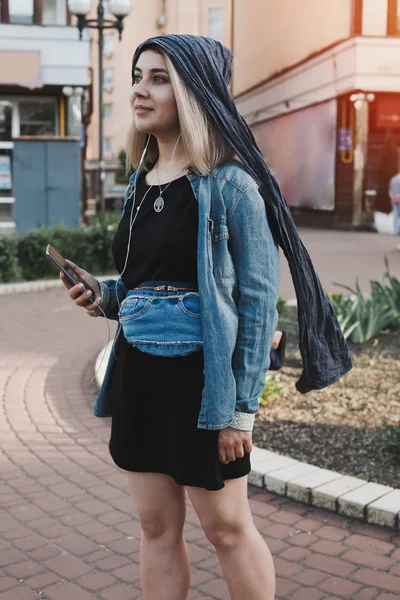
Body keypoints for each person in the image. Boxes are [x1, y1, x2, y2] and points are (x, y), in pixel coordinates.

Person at [61, 35, 351, 600]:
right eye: (138, 76)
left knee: (227, 530)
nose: (140, 90)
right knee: (155, 528)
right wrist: (105, 296)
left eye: (159, 78)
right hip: (139, 378)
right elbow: (148, 284)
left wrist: (240, 413)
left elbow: (256, 304)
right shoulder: (140, 185)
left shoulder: (233, 186)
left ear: (195, 91)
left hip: (203, 386)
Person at [389, 168, 400, 249]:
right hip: (399, 199)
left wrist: (393, 198)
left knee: (395, 216)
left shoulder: (393, 179)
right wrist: (398, 198)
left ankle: (395, 230)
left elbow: (390, 191)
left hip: (394, 200)